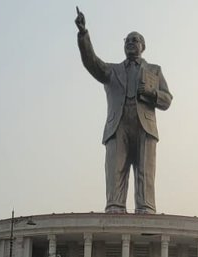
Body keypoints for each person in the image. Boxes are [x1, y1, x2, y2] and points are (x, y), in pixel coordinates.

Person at [74, 7, 173, 215]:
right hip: (118, 124)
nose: (130, 42)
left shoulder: (154, 70)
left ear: (142, 46)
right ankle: (115, 207)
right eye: (127, 40)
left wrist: (151, 93)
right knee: (115, 170)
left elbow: (167, 99)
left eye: (135, 40)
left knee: (145, 172)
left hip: (144, 125)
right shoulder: (112, 71)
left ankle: (145, 208)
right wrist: (84, 34)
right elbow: (91, 62)